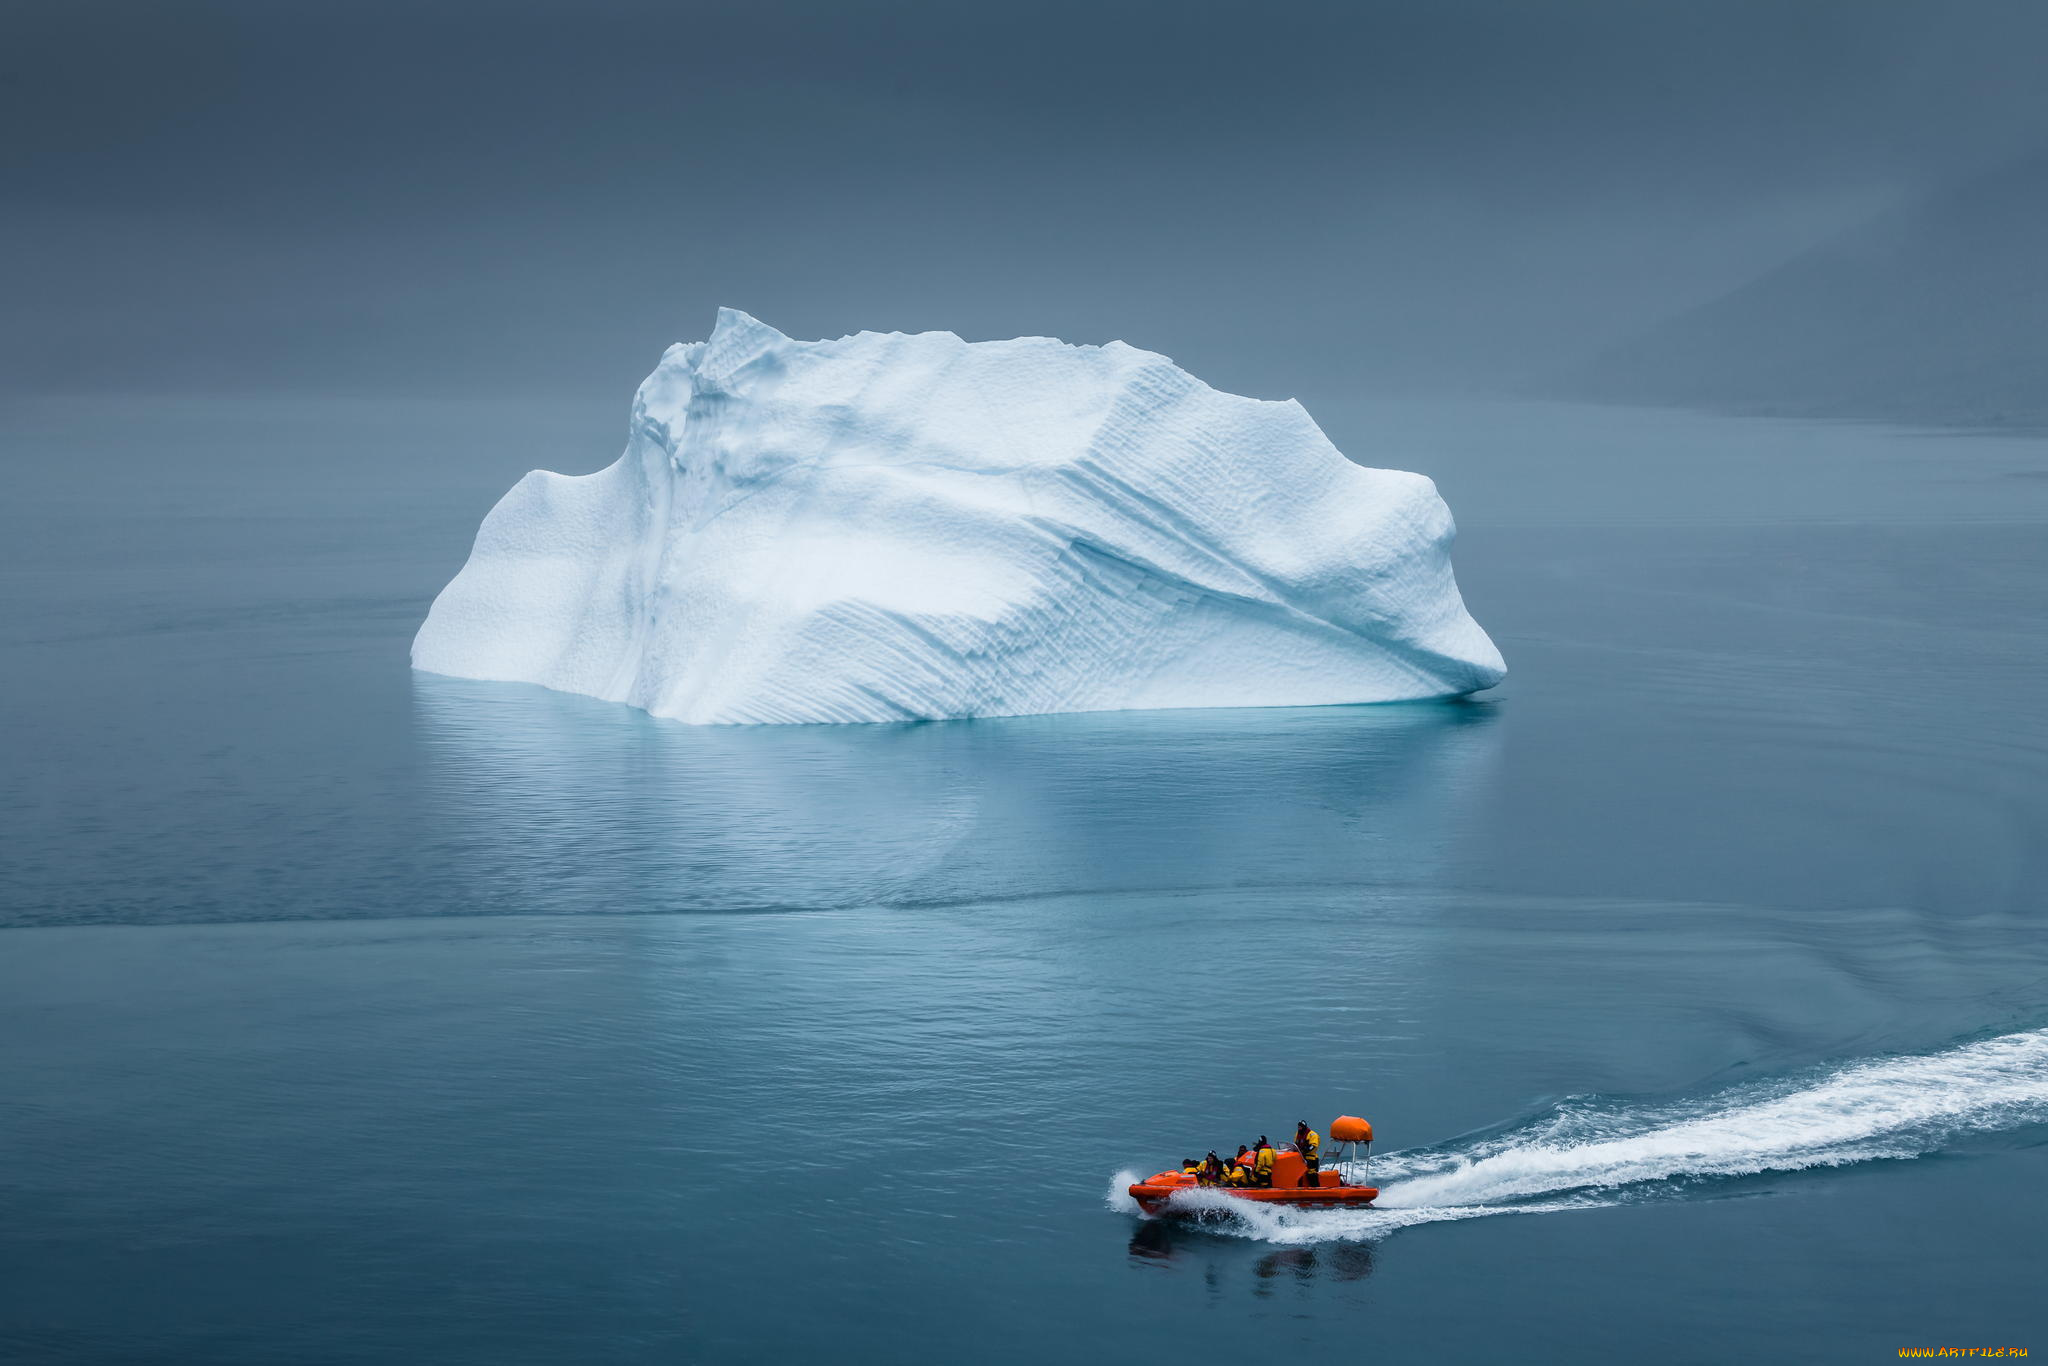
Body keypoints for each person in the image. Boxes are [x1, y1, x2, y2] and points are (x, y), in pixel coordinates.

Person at [1295, 1121, 1322, 1186]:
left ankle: (1316, 1189)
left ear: (1304, 1127)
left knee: (1312, 1174)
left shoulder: (1312, 1135)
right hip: (1301, 1158)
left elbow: (1313, 1145)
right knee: (1300, 1174)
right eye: (1298, 1127)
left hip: (1311, 1158)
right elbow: (1296, 1144)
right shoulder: (1297, 1134)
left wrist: (1305, 1150)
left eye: (1300, 1127)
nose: (1299, 1128)